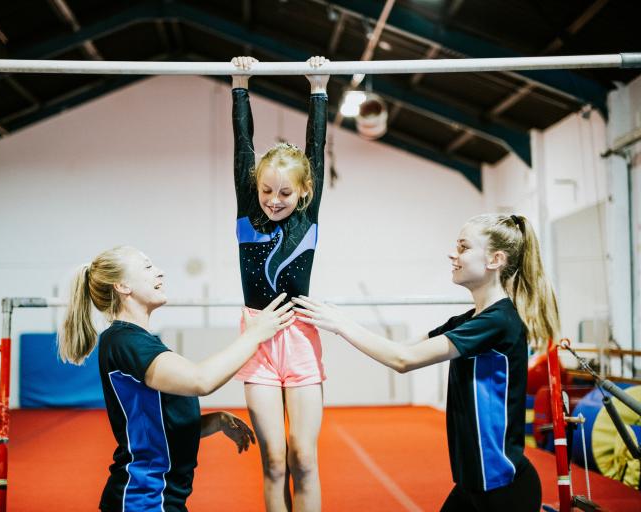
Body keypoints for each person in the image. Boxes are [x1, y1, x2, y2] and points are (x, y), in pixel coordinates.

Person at [293, 214, 557, 512]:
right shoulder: (469, 321)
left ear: (495, 259)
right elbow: (401, 349)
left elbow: (403, 360)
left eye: (463, 247)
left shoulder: (498, 321)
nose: (452, 254)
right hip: (473, 485)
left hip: (502, 488)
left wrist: (340, 323)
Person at [59, 246, 294, 512]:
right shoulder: (127, 342)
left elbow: (155, 424)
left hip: (160, 496)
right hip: (143, 499)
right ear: (123, 286)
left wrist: (212, 422)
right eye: (147, 267)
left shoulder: (133, 340)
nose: (159, 272)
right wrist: (254, 336)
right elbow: (201, 380)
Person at [230, 55, 329, 511]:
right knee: (273, 459)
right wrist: (239, 83)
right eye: (267, 190)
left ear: (304, 192)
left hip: (300, 338)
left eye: (285, 193)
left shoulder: (308, 214)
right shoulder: (249, 207)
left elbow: (317, 145)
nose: (273, 200)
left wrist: (318, 88)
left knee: (303, 457)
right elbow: (242, 143)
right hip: (258, 338)